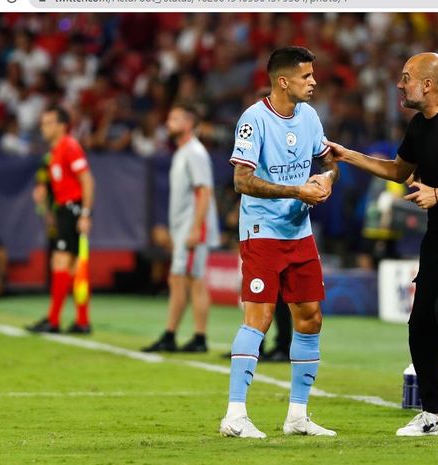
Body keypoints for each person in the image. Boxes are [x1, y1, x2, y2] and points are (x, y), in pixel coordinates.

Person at [327, 52, 438, 436]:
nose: (399, 84)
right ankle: (430, 416)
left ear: (427, 84)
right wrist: (348, 155)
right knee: (420, 321)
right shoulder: (419, 127)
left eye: (405, 77)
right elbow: (397, 171)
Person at [219, 46, 339, 439]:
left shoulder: (309, 117)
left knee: (310, 317)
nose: (314, 82)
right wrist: (296, 192)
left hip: (299, 234)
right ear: (283, 81)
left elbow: (328, 160)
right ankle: (235, 416)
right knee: (260, 318)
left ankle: (298, 416)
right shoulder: (253, 120)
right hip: (262, 233)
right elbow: (242, 181)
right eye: (307, 76)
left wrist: (326, 180)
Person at [142, 104, 220, 353]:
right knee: (180, 279)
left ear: (189, 123)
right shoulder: (182, 152)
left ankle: (196, 337)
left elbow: (204, 191)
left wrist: (196, 229)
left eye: (174, 118)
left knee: (191, 280)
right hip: (184, 228)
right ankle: (174, 334)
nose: (168, 123)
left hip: (194, 228)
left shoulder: (195, 152)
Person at [27, 107, 94, 334]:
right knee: (73, 266)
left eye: (48, 123)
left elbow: (87, 181)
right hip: (63, 210)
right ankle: (82, 321)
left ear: (61, 126)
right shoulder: (53, 153)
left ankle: (54, 320)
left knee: (61, 261)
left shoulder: (69, 146)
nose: (43, 127)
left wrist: (85, 214)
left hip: (73, 209)